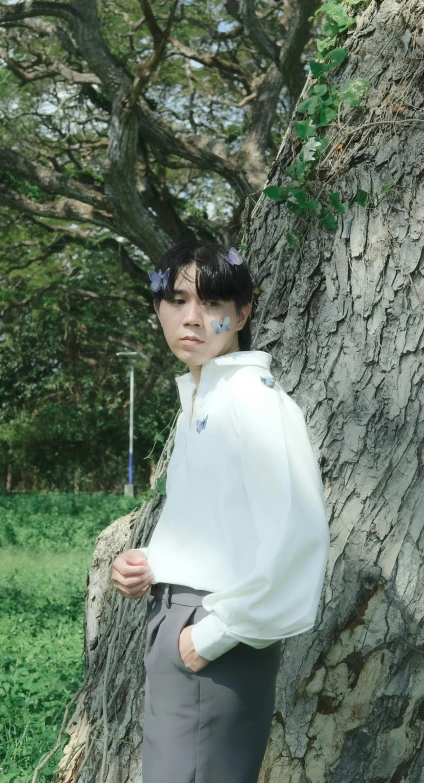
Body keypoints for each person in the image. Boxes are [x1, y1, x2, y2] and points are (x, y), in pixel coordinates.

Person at [110, 239, 330, 783]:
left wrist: (207, 637)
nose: (192, 318)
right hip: (182, 621)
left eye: (211, 304)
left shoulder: (250, 399)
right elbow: (221, 523)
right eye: (178, 299)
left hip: (215, 633)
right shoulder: (205, 398)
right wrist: (151, 562)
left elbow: (299, 535)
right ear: (157, 306)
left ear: (243, 312)